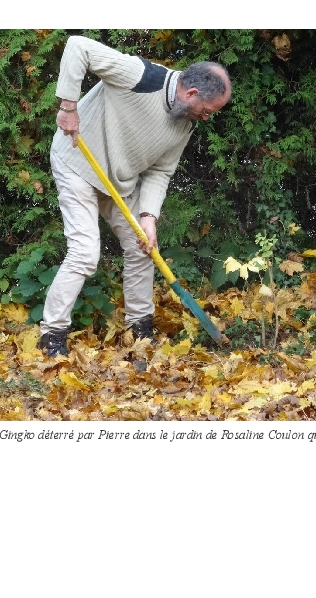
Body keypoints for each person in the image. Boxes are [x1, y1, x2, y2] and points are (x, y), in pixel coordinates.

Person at [38, 35, 232, 357]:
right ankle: (52, 335)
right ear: (191, 94)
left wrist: (148, 217)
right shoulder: (141, 76)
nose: (206, 117)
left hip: (118, 181)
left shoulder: (185, 123)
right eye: (206, 110)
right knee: (85, 252)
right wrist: (68, 106)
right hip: (77, 162)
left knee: (144, 246)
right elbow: (78, 47)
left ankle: (139, 330)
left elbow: (160, 172)